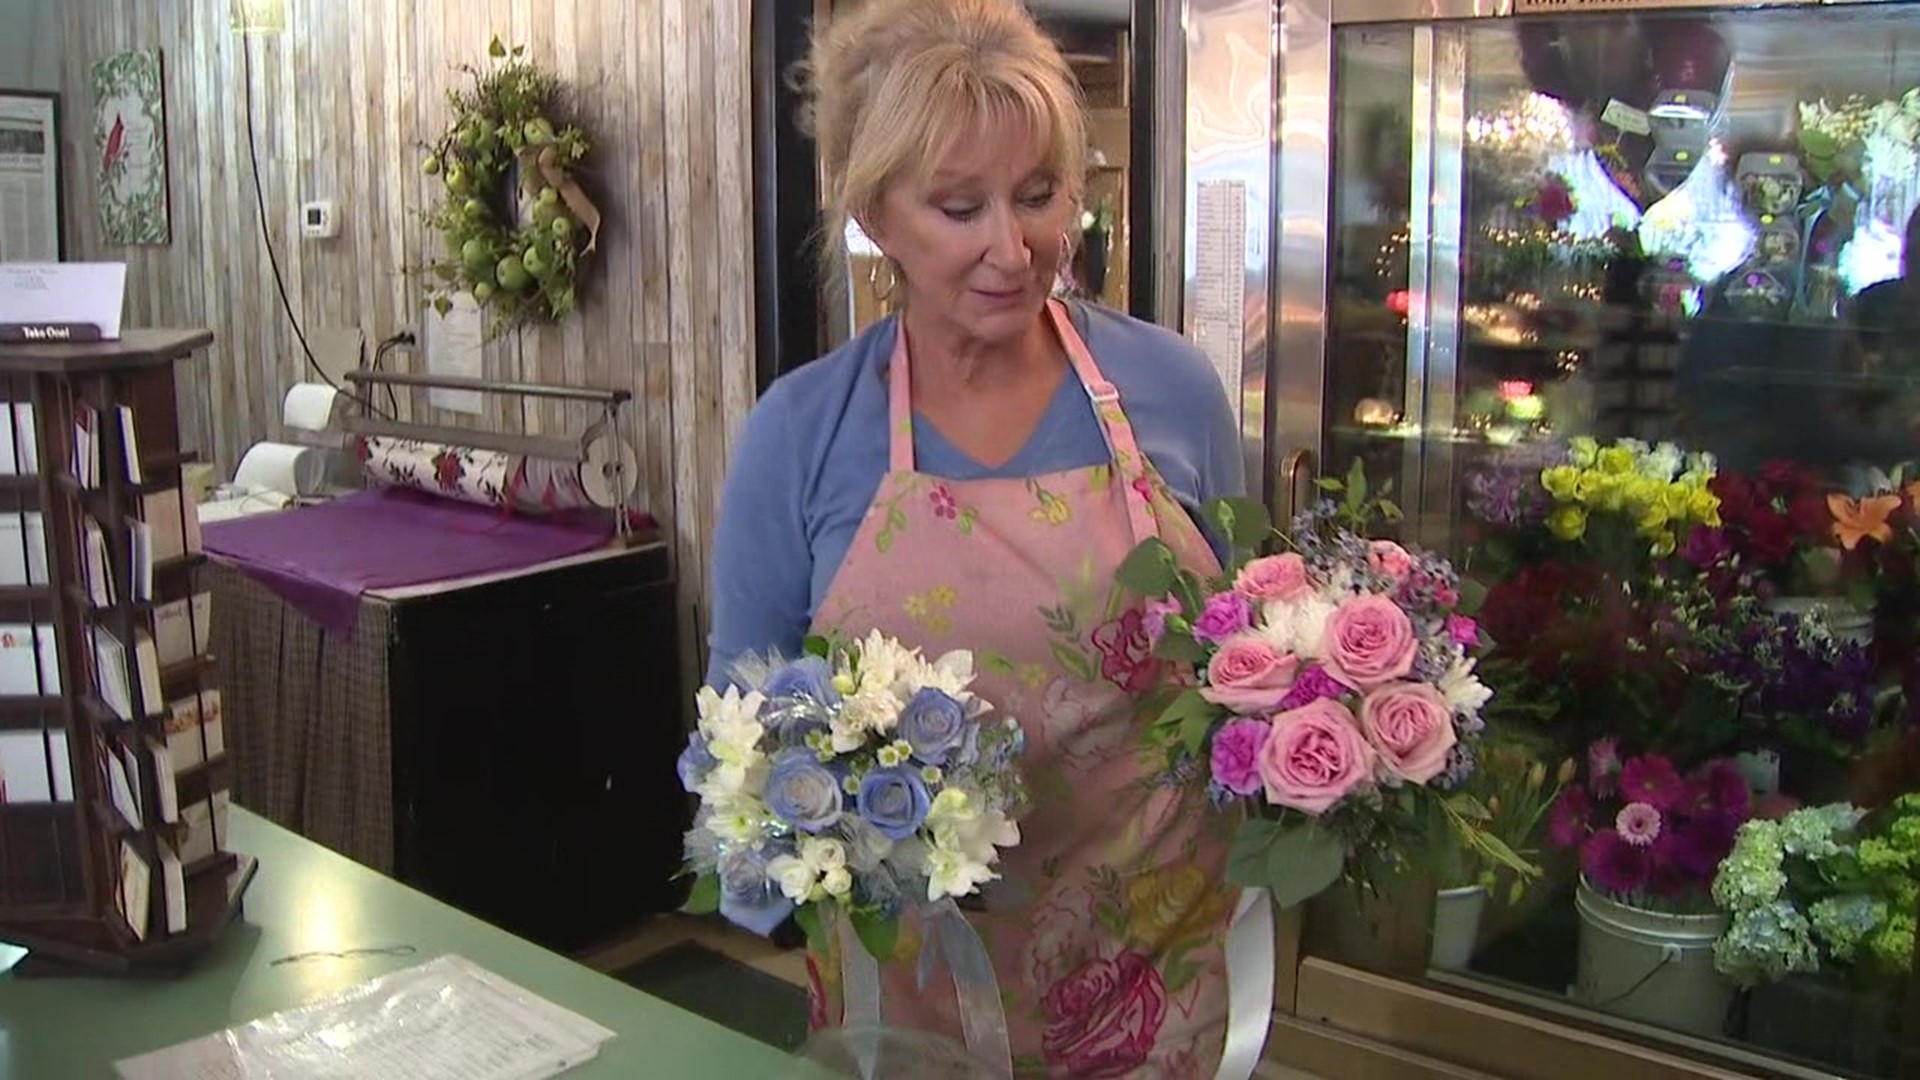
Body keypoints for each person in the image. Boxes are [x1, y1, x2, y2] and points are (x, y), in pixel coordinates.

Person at [704, 1, 1246, 1074]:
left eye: (1039, 197)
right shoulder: (802, 435)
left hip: (1153, 991)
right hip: (908, 1003)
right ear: (876, 212)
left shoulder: (1171, 394)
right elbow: (743, 734)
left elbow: (1240, 666)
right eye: (960, 207)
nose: (1015, 248)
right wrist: (788, 853)